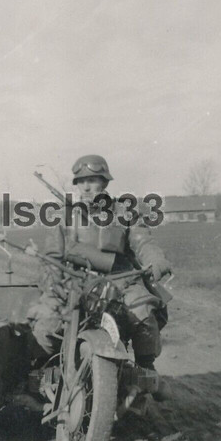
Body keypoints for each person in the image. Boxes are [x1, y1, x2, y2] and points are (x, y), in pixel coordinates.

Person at [26, 154, 172, 377]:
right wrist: (53, 284)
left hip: (120, 281)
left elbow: (144, 242)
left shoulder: (124, 212)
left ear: (104, 183)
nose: (86, 187)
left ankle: (145, 370)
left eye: (92, 180)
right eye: (81, 181)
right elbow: (52, 258)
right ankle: (45, 368)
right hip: (73, 280)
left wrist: (156, 260)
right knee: (46, 321)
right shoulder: (63, 215)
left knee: (143, 314)